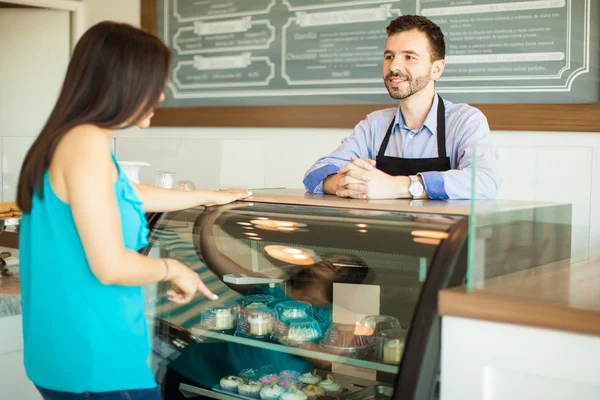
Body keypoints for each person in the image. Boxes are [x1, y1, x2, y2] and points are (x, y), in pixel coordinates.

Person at [16, 21, 251, 400]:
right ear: (126, 81)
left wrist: (210, 195)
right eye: (155, 82)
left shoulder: (66, 138)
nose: (159, 95)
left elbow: (129, 194)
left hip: (61, 356)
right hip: (98, 361)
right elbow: (110, 266)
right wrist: (174, 269)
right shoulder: (87, 144)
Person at [160, 203, 375, 399]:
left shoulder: (341, 315)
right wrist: (208, 218)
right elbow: (214, 258)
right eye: (334, 258)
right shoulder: (271, 285)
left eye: (345, 266)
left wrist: (277, 328)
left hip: (259, 393)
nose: (334, 263)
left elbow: (327, 359)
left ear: (349, 281)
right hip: (195, 374)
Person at [303, 15, 502, 200]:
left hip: (442, 236)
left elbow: (485, 181)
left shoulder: (465, 120)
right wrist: (346, 184)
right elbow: (315, 172)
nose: (394, 67)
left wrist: (399, 186)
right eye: (389, 56)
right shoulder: (375, 124)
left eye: (409, 57)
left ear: (437, 69)